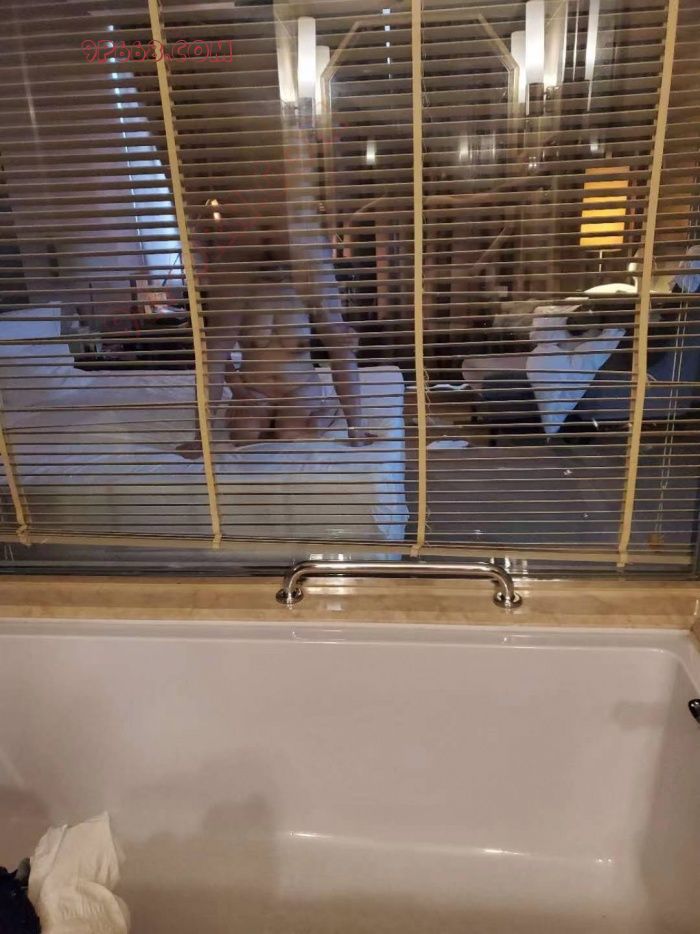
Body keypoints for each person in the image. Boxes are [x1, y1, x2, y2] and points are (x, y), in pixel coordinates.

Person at [177, 181, 373, 457]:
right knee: (245, 436)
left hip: (299, 387)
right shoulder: (235, 280)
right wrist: (207, 429)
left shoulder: (311, 280)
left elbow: (340, 347)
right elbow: (215, 355)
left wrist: (356, 428)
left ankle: (326, 411)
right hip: (255, 390)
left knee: (291, 434)